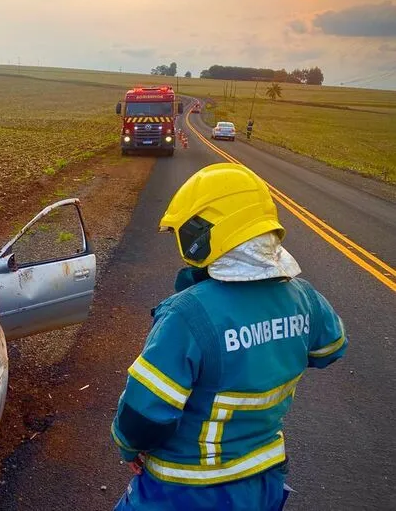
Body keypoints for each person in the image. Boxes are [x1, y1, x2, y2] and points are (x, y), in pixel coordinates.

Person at [111, 163, 348, 510]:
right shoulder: (304, 297)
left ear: (204, 235)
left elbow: (144, 414)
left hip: (187, 488)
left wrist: (128, 447)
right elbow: (331, 348)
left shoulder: (187, 314)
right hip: (263, 481)